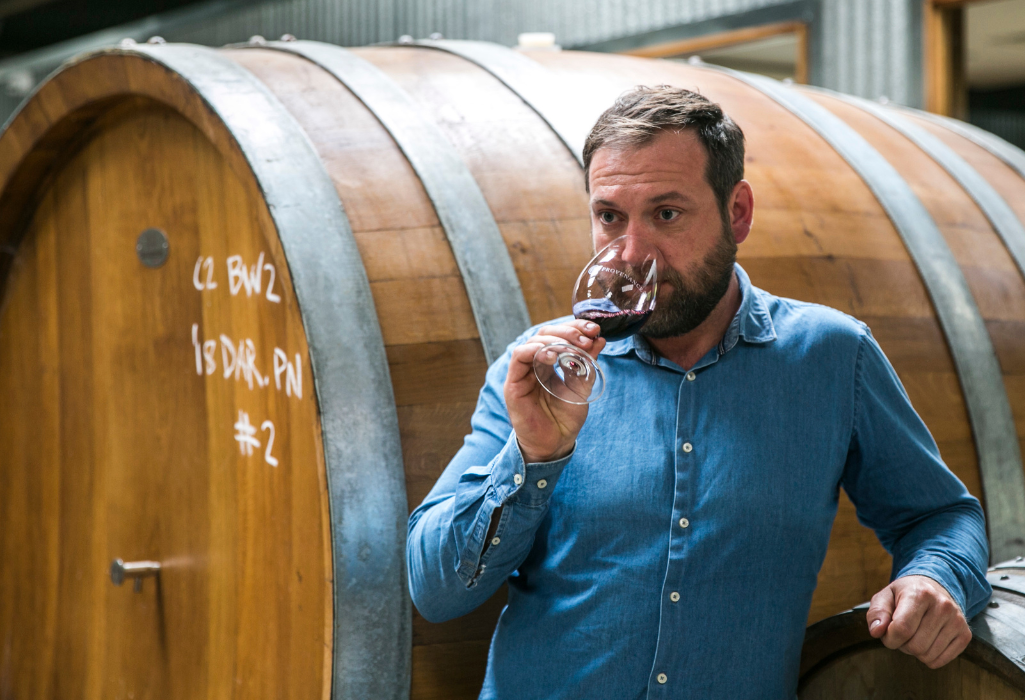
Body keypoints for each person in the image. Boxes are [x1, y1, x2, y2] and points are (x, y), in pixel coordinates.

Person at [407, 85, 991, 699]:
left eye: (666, 214)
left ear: (737, 212)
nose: (630, 254)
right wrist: (530, 458)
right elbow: (435, 590)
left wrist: (936, 578)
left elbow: (940, 516)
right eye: (609, 216)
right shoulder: (541, 372)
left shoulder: (830, 356)